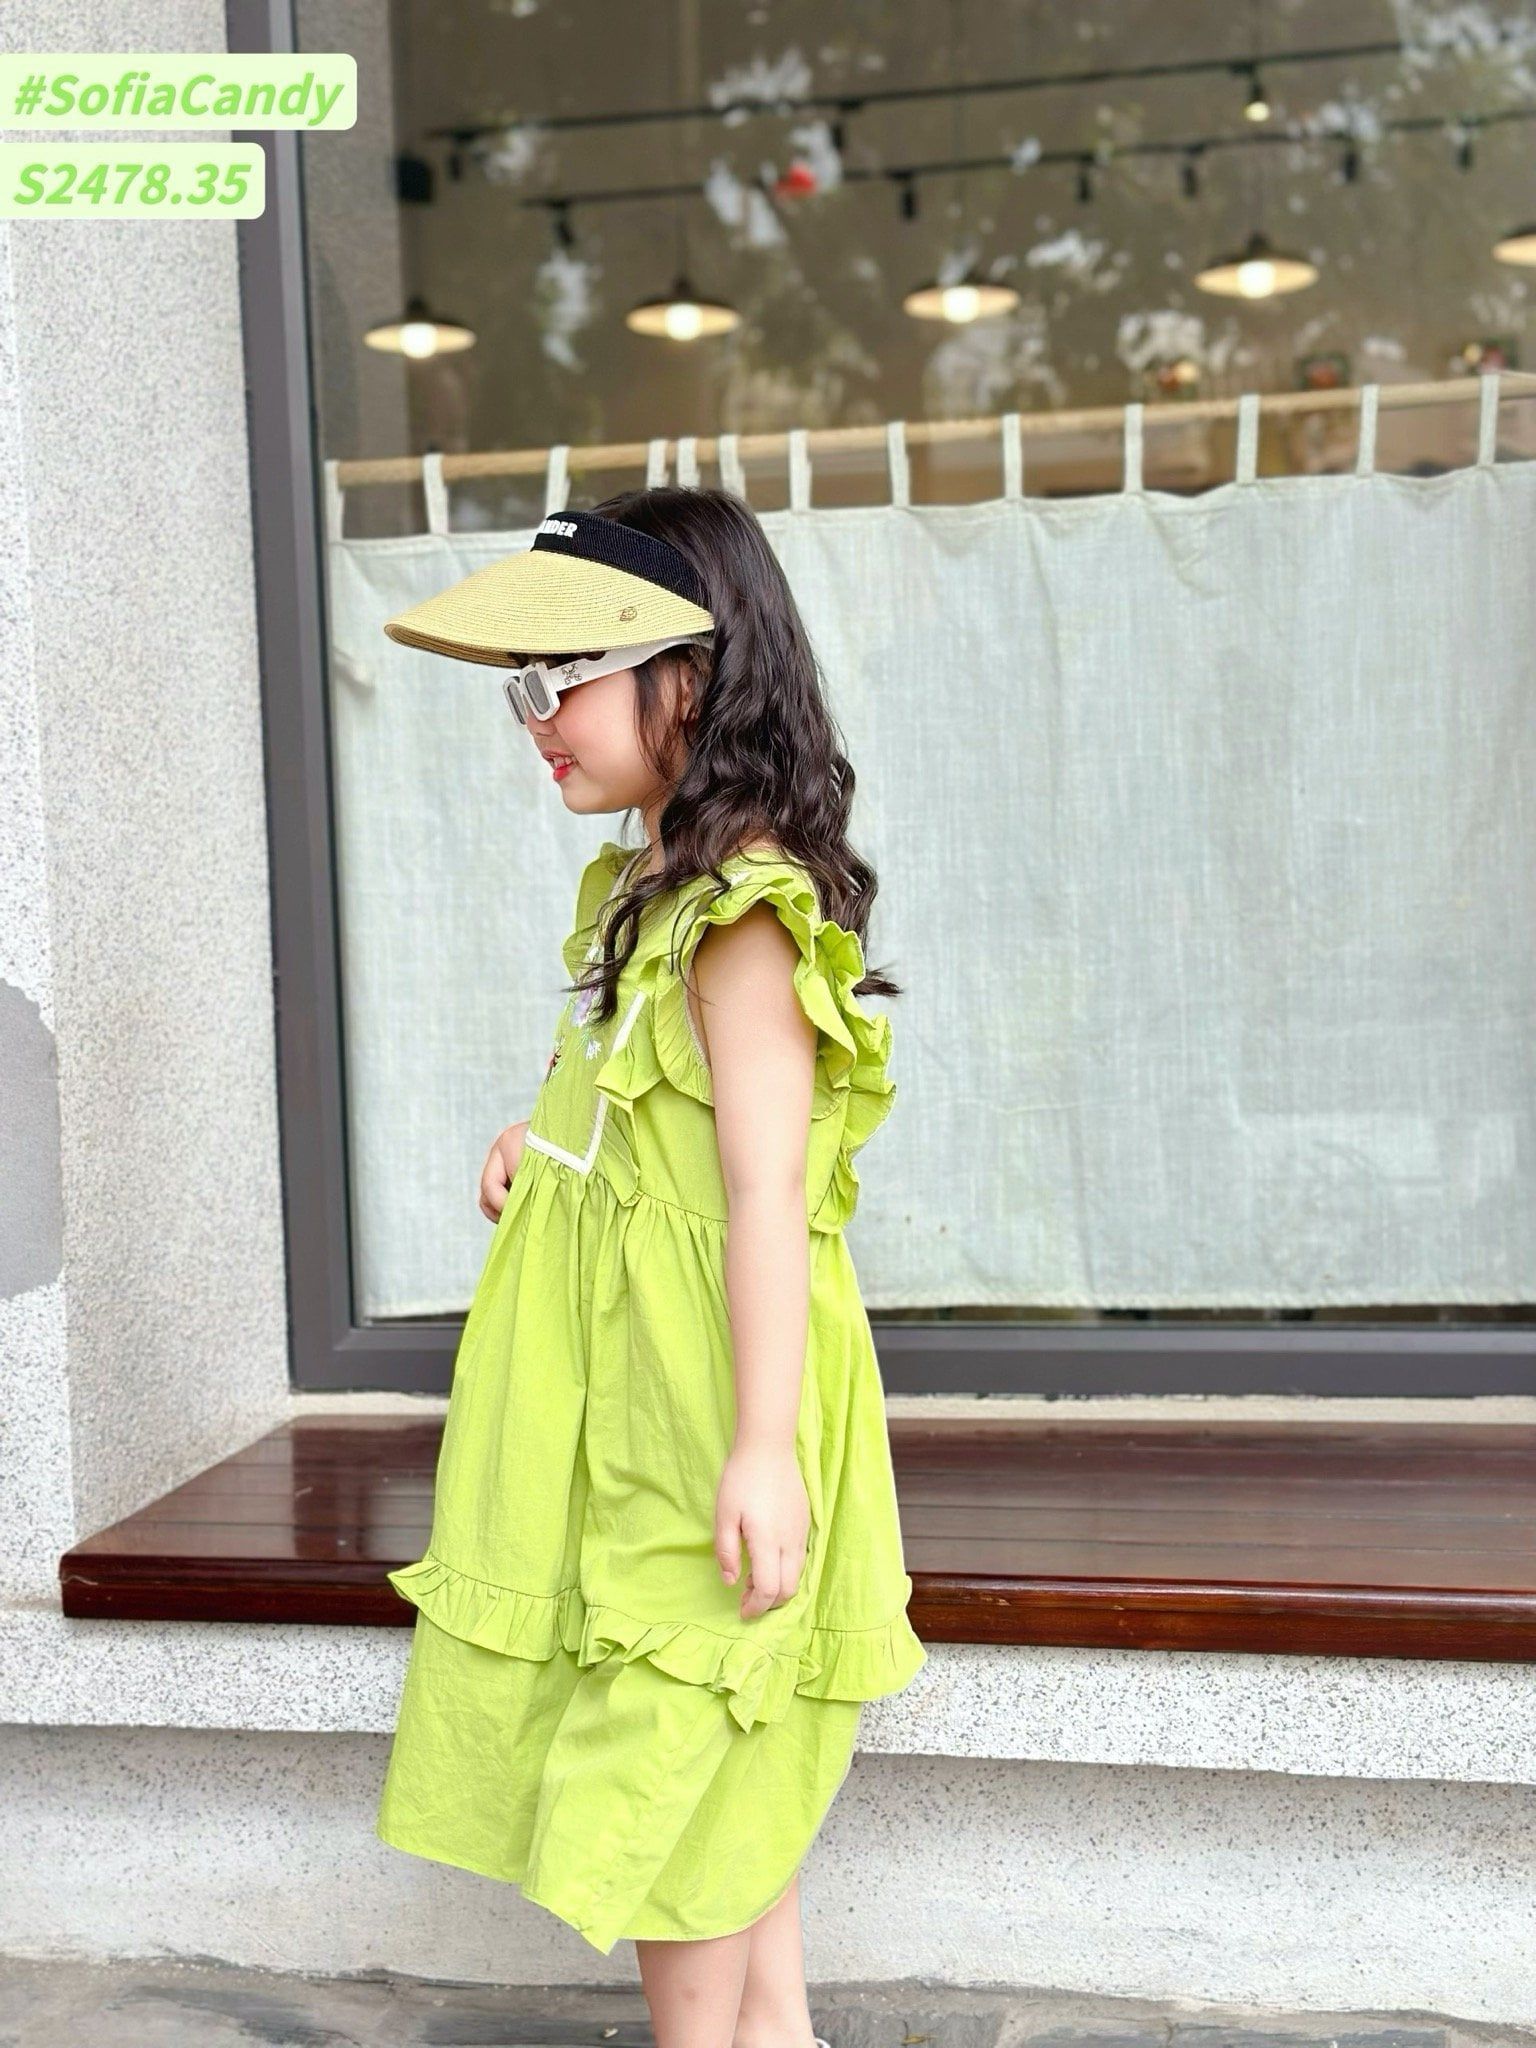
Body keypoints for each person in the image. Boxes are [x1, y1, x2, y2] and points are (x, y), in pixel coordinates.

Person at [373, 486, 925, 2045]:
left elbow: (765, 1190)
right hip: (635, 1392)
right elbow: (648, 1124)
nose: (535, 720)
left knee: (678, 1759)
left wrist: (760, 1447)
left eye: (564, 679)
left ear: (692, 673)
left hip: (702, 1400)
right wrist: (540, 1145)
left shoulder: (743, 921)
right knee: (722, 1748)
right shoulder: (651, 895)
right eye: (520, 688)